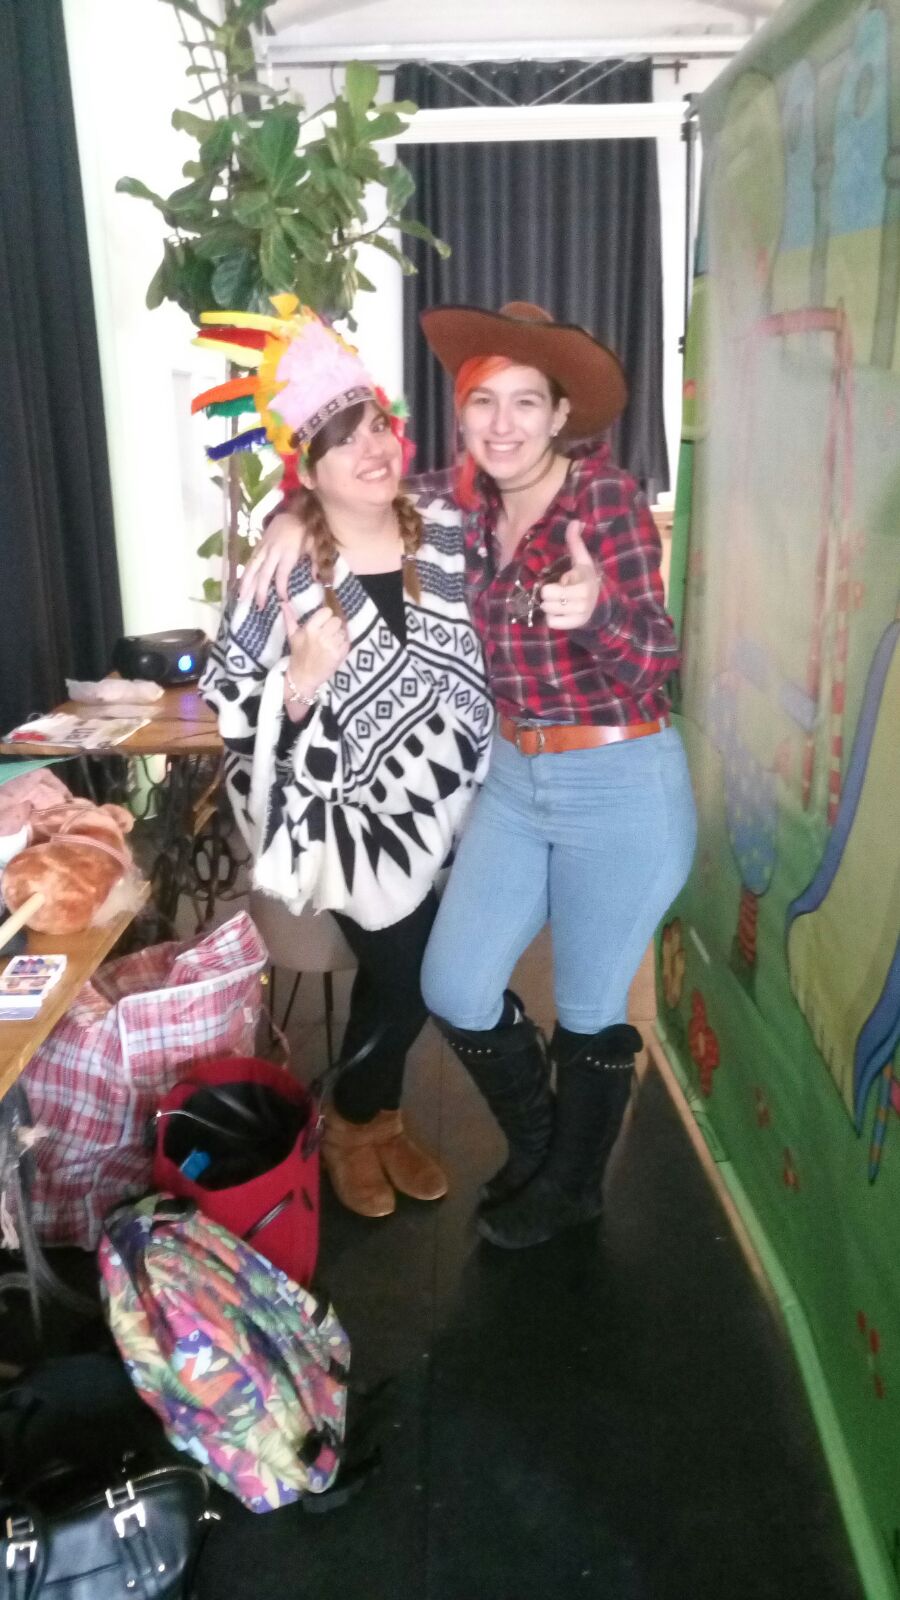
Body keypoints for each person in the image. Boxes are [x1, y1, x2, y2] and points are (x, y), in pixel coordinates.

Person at [241, 301, 697, 1250]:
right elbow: (351, 491)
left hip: (616, 779)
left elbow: (658, 659)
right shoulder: (460, 510)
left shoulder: (601, 502)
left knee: (588, 1007)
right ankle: (537, 1148)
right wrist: (291, 516)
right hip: (508, 785)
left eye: (526, 401)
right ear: (461, 415)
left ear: (560, 413)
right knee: (451, 984)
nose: (503, 423)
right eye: (483, 400)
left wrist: (597, 613)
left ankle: (566, 1183)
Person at [195, 299, 493, 1220]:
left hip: (455, 811)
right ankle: (351, 1123)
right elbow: (227, 704)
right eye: (344, 440)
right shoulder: (281, 573)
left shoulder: (444, 529)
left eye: (377, 427)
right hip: (343, 824)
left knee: (418, 978)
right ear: (307, 469)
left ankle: (378, 1123)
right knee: (413, 977)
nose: (373, 449)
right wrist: (299, 685)